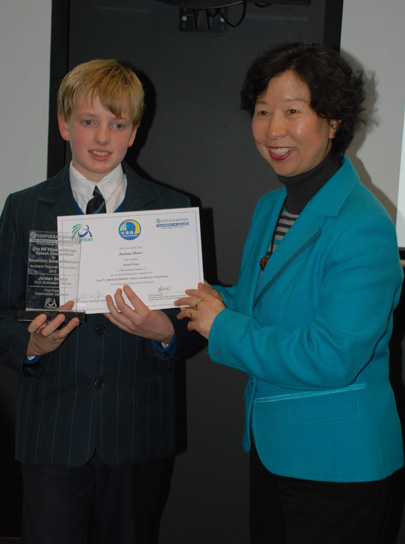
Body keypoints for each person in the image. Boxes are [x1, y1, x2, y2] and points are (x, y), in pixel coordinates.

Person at [175, 43, 404, 543]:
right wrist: (186, 301)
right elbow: (257, 304)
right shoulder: (272, 206)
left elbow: (332, 355)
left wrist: (222, 326)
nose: (273, 129)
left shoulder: (362, 224)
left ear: (334, 120)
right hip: (276, 445)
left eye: (293, 111)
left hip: (338, 464)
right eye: (262, 112)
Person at [0, 59, 202, 544]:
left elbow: (195, 316)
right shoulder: (24, 208)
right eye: (88, 121)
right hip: (52, 429)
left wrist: (166, 333)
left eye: (118, 124)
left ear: (135, 132)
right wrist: (30, 346)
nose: (102, 137)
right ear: (64, 124)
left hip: (137, 431)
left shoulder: (171, 209)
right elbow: (3, 310)